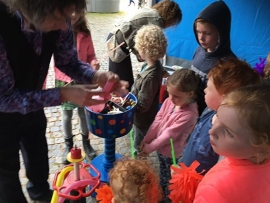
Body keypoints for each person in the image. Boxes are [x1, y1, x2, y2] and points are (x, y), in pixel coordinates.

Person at [0, 0, 128, 202]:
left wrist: (96, 76)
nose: (64, 26)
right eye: (59, 18)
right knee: (6, 177)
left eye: (68, 17)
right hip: (3, 116)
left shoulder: (60, 15)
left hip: (34, 106)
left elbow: (68, 61)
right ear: (34, 8)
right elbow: (5, 98)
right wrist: (63, 95)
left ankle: (41, 194)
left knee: (38, 156)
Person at [180, 58, 261, 175]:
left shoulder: (228, 136)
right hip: (183, 175)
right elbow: (193, 139)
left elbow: (220, 170)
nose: (205, 90)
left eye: (209, 87)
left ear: (225, 98)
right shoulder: (209, 110)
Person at [193, 85, 270, 203]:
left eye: (229, 132)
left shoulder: (216, 190)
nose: (211, 131)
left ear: (263, 148)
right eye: (217, 117)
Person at [141, 68, 200, 202]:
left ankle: (167, 198)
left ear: (190, 93)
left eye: (176, 96)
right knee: (163, 174)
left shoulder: (189, 115)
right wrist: (147, 139)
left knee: (170, 179)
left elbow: (169, 135)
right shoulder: (170, 101)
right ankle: (161, 192)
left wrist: (150, 148)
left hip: (171, 153)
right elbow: (158, 119)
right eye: (169, 94)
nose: (171, 99)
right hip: (161, 148)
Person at [54, 11, 100, 164]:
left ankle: (86, 143)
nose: (73, 13)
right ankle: (68, 146)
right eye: (70, 9)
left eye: (77, 10)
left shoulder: (85, 34)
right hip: (63, 81)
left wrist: (93, 63)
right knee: (66, 116)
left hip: (82, 80)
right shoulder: (57, 30)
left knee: (83, 114)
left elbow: (91, 54)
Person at [108, 0, 182, 90]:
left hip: (118, 37)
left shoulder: (151, 12)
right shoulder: (156, 21)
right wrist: (162, 71)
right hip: (118, 41)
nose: (171, 26)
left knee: (123, 76)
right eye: (172, 23)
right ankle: (117, 100)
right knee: (121, 80)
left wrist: (139, 54)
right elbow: (152, 50)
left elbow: (138, 38)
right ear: (171, 18)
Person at [191, 1, 236, 115]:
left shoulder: (228, 64)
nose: (201, 38)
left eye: (207, 33)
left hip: (206, 116)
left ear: (221, 33)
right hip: (189, 111)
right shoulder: (198, 51)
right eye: (198, 32)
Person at [130, 24, 167, 154]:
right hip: (140, 120)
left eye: (139, 48)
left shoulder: (150, 76)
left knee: (139, 148)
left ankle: (139, 168)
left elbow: (142, 105)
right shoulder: (151, 65)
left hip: (143, 121)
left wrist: (127, 98)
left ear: (145, 50)